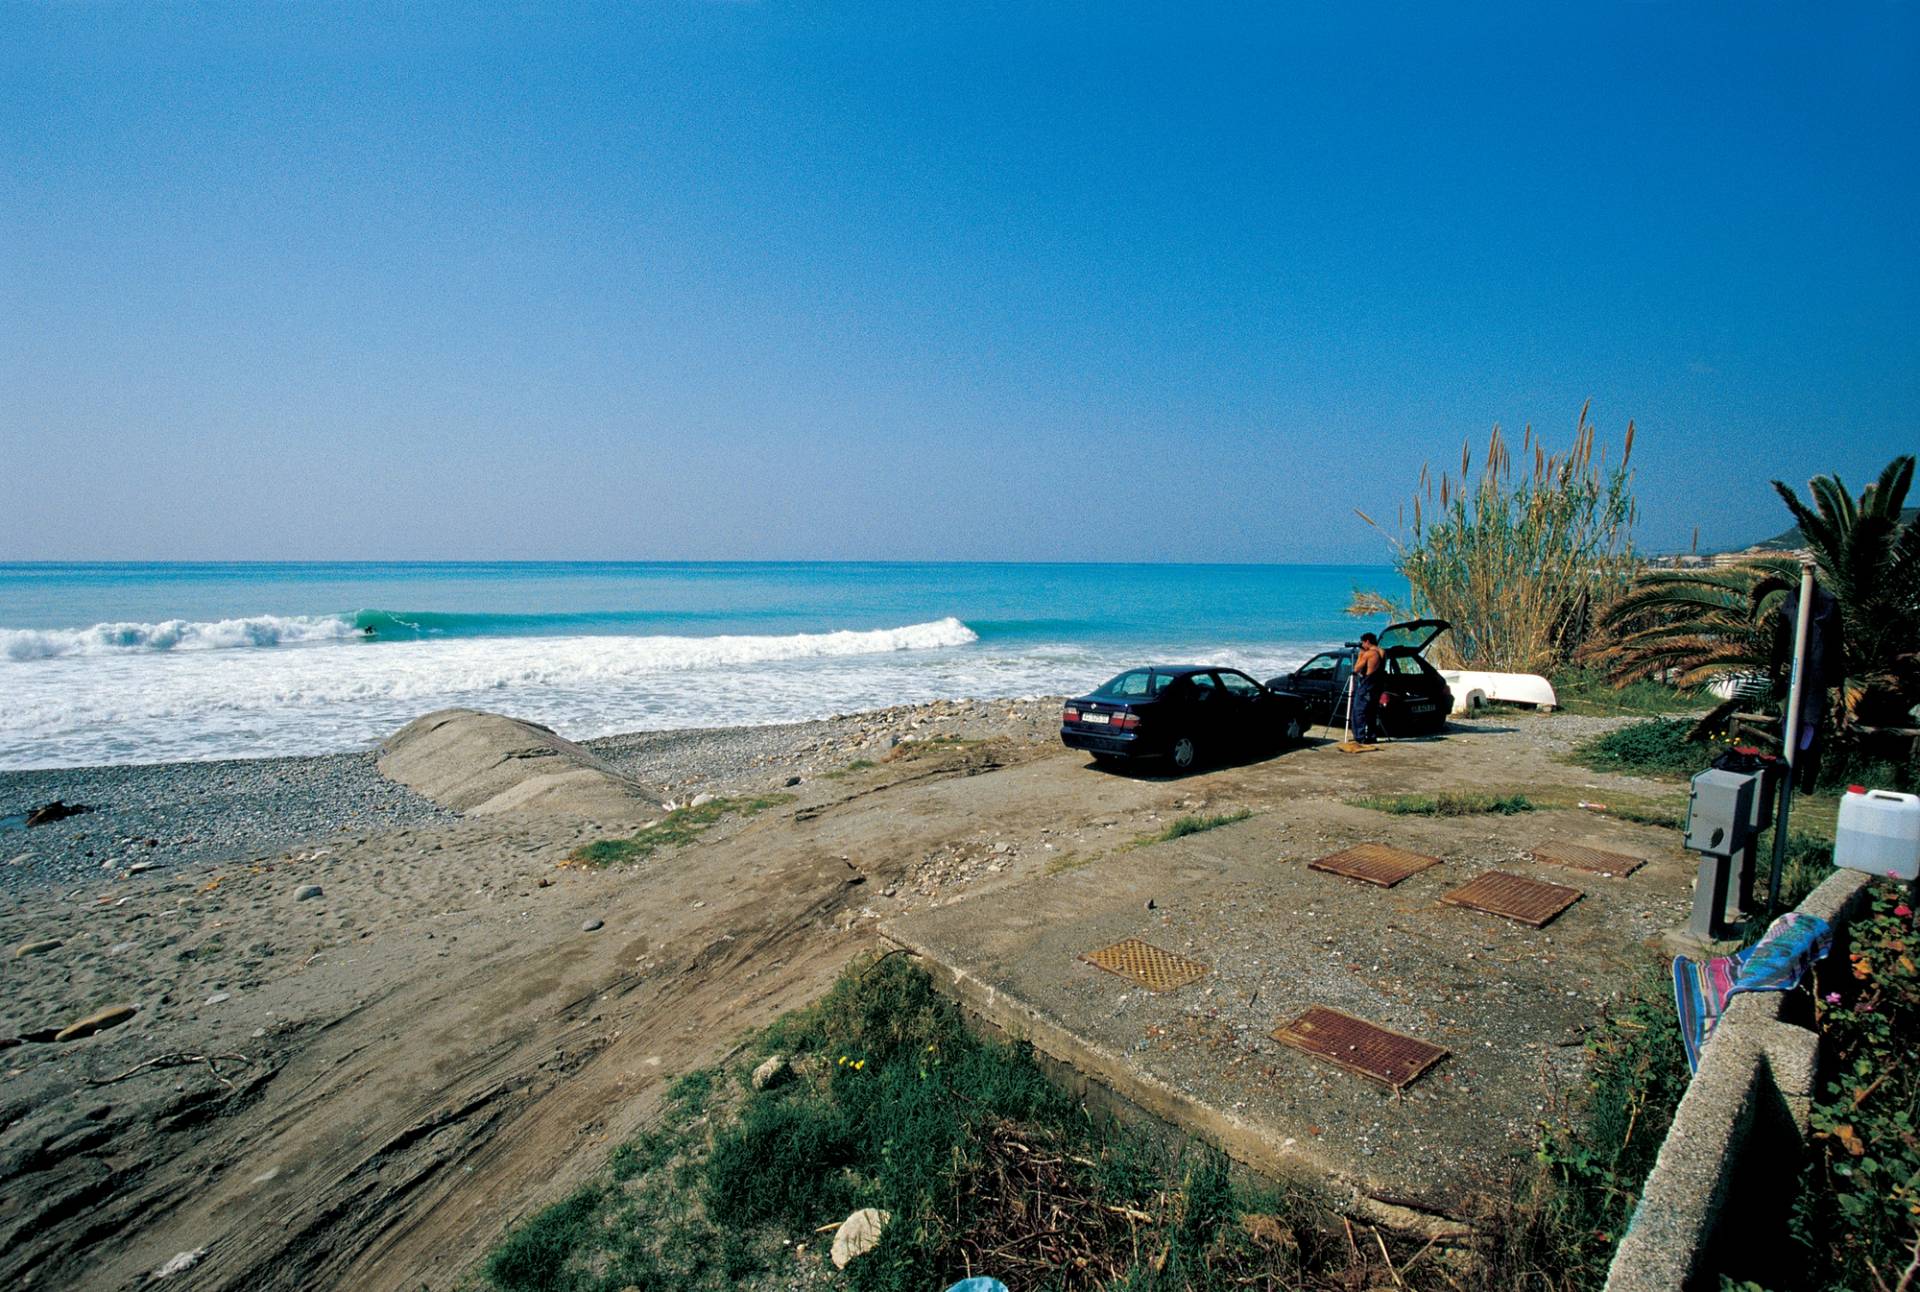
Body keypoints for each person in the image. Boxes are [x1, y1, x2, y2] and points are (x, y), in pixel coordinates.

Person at [1350, 631, 1385, 743]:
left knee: (1358, 710)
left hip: (1368, 682)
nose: (1362, 645)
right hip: (1378, 683)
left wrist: (1360, 655)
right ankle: (1371, 736)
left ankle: (1360, 737)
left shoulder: (1369, 654)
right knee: (1372, 711)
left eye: (1363, 643)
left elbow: (1356, 669)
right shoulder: (1382, 652)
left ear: (1367, 642)